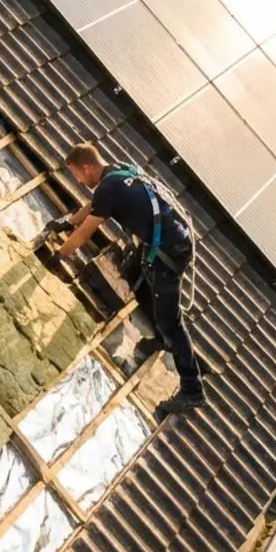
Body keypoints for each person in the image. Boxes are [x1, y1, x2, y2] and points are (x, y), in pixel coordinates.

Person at [51, 143, 205, 418]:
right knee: (134, 275)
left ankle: (192, 390)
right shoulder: (116, 172)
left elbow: (86, 233)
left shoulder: (110, 186)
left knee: (172, 320)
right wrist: (68, 221)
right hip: (160, 242)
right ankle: (161, 337)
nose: (79, 181)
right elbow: (93, 206)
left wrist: (59, 255)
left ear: (87, 167)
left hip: (170, 251)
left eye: (77, 175)